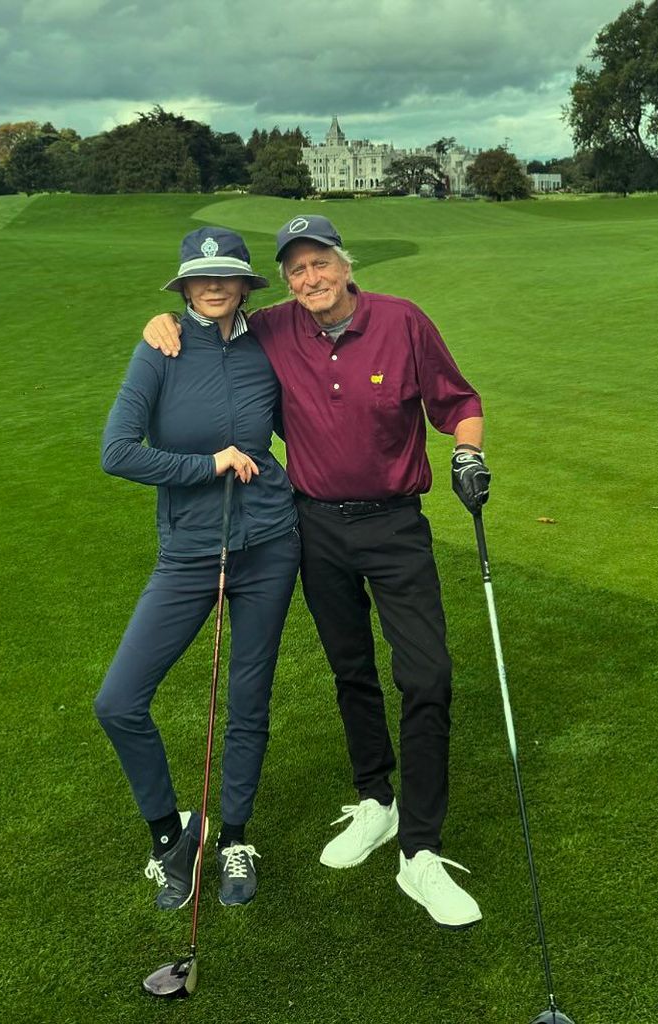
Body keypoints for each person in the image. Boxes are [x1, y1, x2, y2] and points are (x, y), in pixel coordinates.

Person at [142, 214, 491, 929]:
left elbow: (459, 402)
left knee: (427, 676)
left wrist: (466, 454)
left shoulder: (402, 321)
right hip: (316, 527)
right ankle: (377, 802)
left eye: (319, 263)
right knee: (351, 669)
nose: (310, 279)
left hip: (395, 525)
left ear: (343, 262)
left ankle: (420, 851)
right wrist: (160, 322)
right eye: (296, 269)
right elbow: (215, 312)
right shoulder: (274, 326)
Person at [95, 227, 300, 910]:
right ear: (183, 286)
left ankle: (235, 835)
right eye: (201, 277)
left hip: (270, 544)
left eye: (228, 276)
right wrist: (207, 465)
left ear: (245, 284)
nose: (215, 287)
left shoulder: (269, 341)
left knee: (249, 699)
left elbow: (331, 307)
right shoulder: (159, 349)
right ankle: (170, 837)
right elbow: (118, 452)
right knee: (119, 701)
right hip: (188, 552)